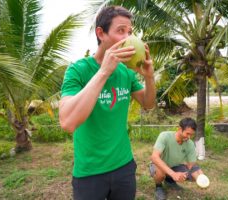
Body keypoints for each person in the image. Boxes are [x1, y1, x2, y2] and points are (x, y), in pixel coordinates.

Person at [59, 6, 156, 200]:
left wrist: (149, 78)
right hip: (89, 171)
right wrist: (104, 72)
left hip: (124, 165)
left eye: (130, 32)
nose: (127, 37)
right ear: (100, 33)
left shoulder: (126, 72)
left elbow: (148, 103)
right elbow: (68, 122)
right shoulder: (78, 70)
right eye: (120, 31)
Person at [149, 118, 206, 200]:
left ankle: (169, 181)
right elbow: (154, 157)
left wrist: (186, 174)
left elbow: (191, 164)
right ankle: (158, 187)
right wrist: (173, 174)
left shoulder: (190, 144)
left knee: (196, 174)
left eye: (191, 135)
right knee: (160, 173)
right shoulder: (165, 136)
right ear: (179, 129)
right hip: (158, 165)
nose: (189, 137)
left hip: (175, 166)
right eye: (187, 133)